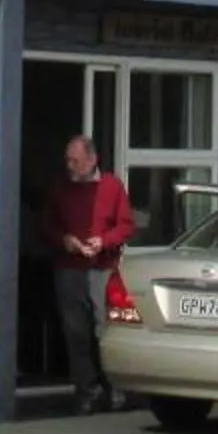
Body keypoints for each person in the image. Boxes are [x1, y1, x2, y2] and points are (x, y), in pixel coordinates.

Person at [46, 135, 135, 415]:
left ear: (92, 160)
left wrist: (104, 241)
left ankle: (115, 388)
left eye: (76, 160)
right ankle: (86, 392)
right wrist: (66, 241)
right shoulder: (60, 189)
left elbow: (126, 225)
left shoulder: (111, 186)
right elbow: (46, 225)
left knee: (104, 329)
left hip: (102, 268)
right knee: (76, 334)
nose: (70, 166)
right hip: (70, 268)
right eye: (68, 160)